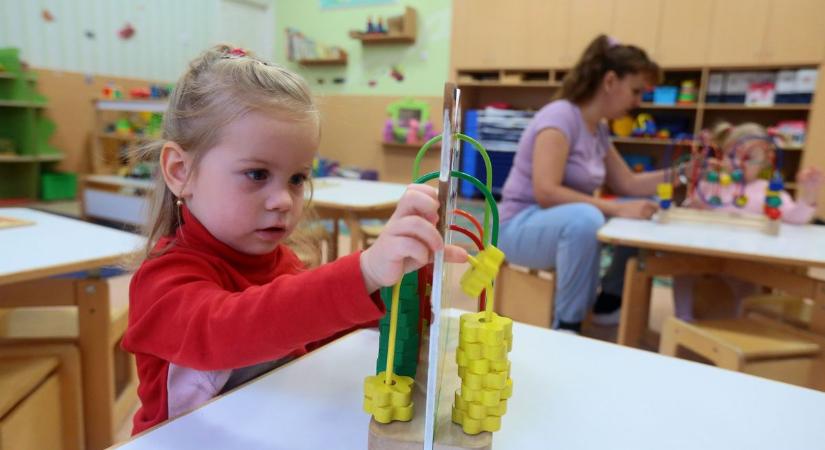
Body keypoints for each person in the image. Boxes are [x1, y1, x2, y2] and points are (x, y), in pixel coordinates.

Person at [122, 45, 467, 434]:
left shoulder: (282, 262)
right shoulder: (162, 282)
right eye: (256, 174)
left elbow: (325, 327)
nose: (283, 200)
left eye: (297, 178)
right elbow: (231, 329)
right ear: (180, 170)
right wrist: (365, 269)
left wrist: (403, 277)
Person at [498, 34, 674, 334]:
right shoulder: (560, 117)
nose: (637, 101)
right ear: (609, 81)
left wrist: (683, 174)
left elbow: (629, 184)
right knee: (589, 217)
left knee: (641, 211)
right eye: (635, 91)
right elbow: (546, 192)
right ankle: (568, 325)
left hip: (556, 222)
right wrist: (614, 209)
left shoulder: (598, 129)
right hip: (516, 226)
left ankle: (609, 300)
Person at [672, 122, 824, 320]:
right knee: (681, 272)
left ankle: (741, 323)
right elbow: (693, 207)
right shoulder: (714, 184)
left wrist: (810, 194)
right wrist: (697, 183)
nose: (738, 164)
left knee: (748, 286)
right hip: (705, 255)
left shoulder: (768, 191)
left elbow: (795, 219)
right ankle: (683, 317)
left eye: (749, 158)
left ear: (765, 162)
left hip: (745, 263)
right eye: (732, 156)